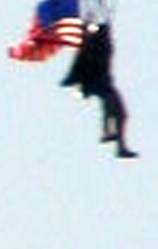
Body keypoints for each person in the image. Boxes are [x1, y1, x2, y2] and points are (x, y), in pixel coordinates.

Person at [59, 22, 138, 158]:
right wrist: (87, 34)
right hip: (95, 83)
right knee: (111, 104)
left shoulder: (105, 46)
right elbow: (83, 55)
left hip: (104, 83)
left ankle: (116, 143)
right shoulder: (92, 46)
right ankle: (109, 134)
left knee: (121, 114)